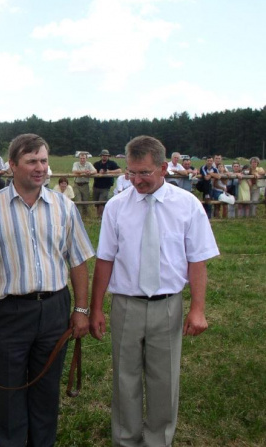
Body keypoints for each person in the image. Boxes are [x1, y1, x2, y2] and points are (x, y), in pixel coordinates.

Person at [0, 133, 94, 446]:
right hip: (9, 314)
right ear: (12, 165)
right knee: (7, 392)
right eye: (32, 161)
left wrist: (81, 310)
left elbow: (77, 261)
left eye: (44, 161)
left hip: (54, 310)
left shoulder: (64, 207)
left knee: (46, 391)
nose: (40, 168)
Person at [90, 135, 219, 447]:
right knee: (125, 378)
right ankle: (126, 438)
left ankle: (158, 440)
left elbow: (196, 259)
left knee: (164, 379)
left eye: (144, 173)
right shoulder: (116, 207)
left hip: (167, 306)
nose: (136, 180)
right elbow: (105, 260)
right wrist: (95, 309)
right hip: (126, 305)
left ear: (164, 168)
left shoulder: (187, 206)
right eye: (130, 173)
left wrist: (197, 308)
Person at [93, 149, 122, 217]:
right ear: (101, 156)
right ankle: (98, 215)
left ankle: (101, 216)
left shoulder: (112, 163)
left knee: (102, 202)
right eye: (103, 155)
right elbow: (92, 171)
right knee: (96, 202)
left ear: (108, 156)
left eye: (106, 155)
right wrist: (97, 172)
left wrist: (108, 172)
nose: (104, 157)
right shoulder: (96, 164)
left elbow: (119, 170)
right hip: (96, 186)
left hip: (105, 187)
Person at [72, 151, 96, 217]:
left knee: (86, 201)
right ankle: (79, 216)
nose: (82, 160)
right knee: (78, 201)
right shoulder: (76, 164)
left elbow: (95, 171)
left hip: (85, 185)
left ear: (86, 158)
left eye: (84, 158)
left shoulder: (89, 164)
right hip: (77, 185)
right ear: (79, 158)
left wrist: (90, 173)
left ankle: (86, 216)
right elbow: (74, 171)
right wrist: (84, 172)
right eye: (81, 158)